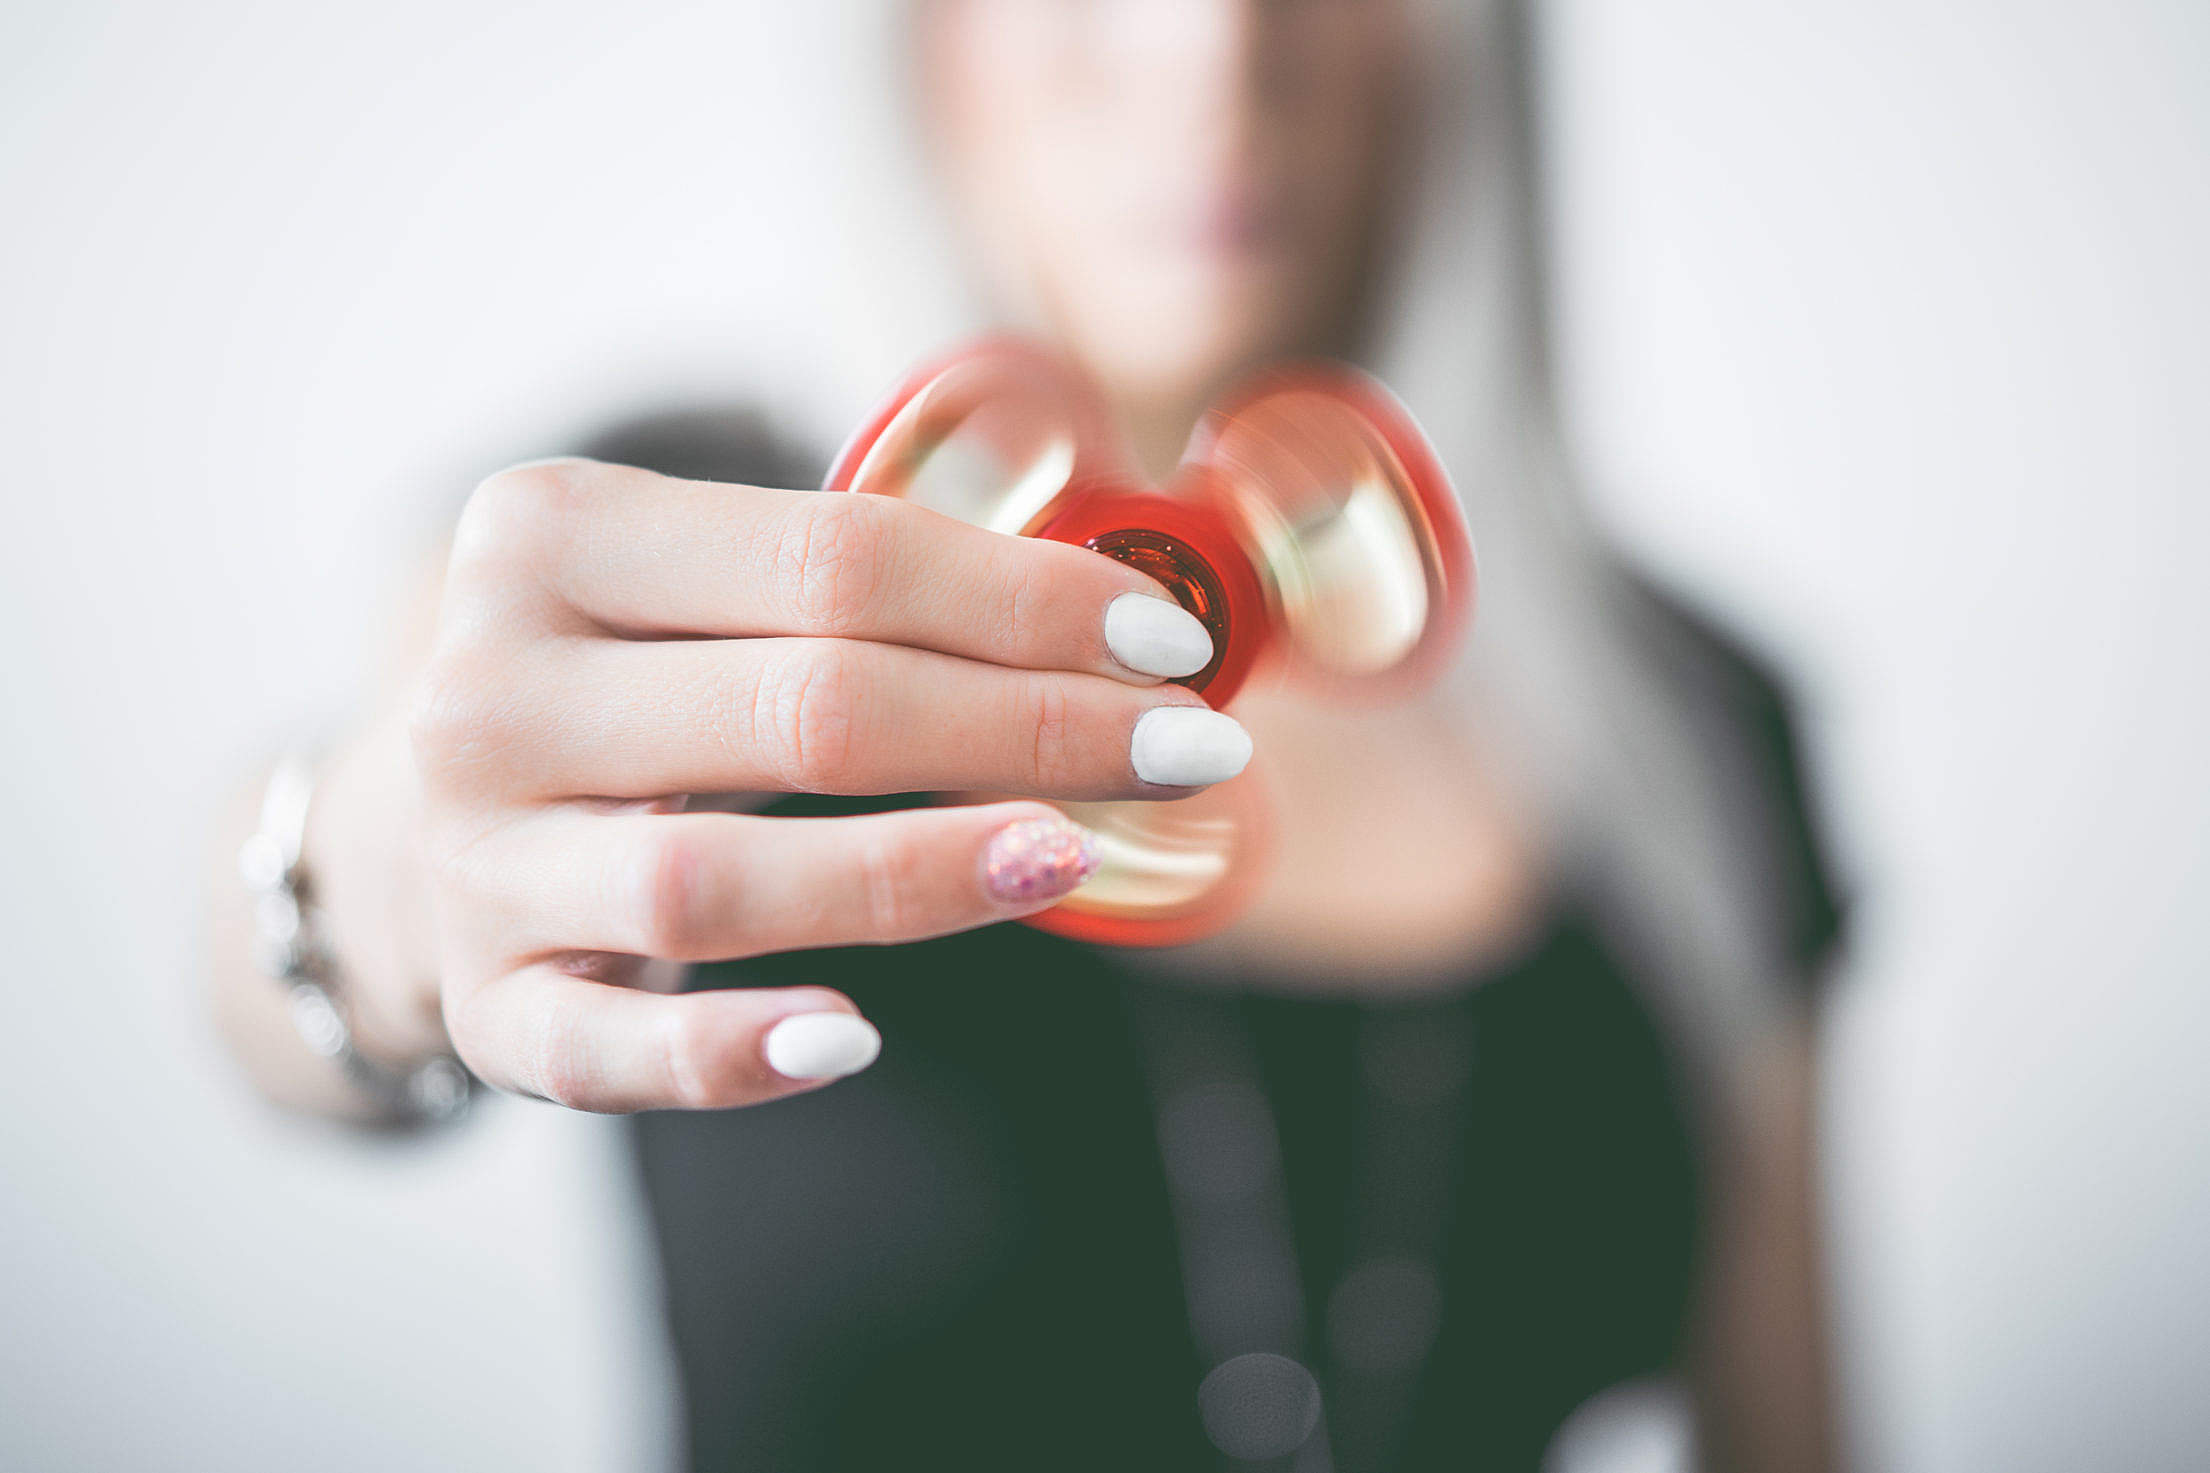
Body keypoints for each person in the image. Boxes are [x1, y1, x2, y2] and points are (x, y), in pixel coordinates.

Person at [208, 2, 1848, 1468]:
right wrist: (373, 891)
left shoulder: (1696, 721)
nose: (1215, 52)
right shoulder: (670, 547)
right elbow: (339, 888)